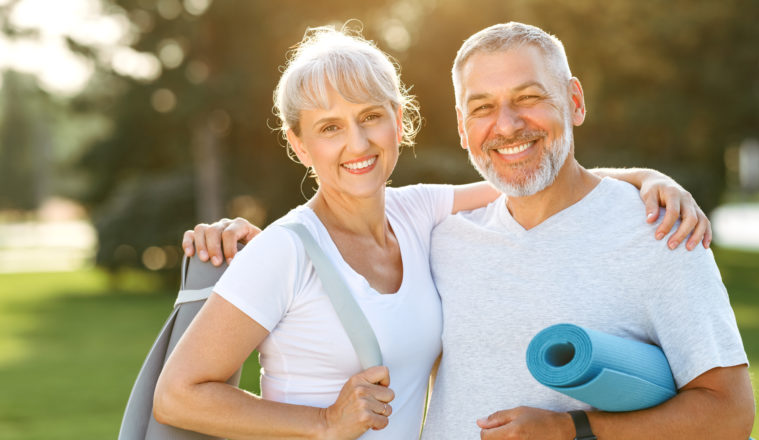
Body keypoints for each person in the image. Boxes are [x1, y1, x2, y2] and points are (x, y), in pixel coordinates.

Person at [169, 24, 722, 440]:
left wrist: (646, 179)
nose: (357, 144)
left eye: (370, 116)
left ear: (398, 119)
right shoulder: (283, 251)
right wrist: (324, 424)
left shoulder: (421, 215)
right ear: (299, 145)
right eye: (329, 128)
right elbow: (179, 395)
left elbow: (529, 173)